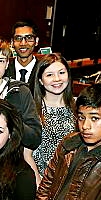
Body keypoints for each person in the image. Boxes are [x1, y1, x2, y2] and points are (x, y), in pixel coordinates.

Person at [26, 53, 76, 185]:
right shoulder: (32, 111)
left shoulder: (78, 109)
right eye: (49, 75)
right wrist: (39, 186)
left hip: (71, 184)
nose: (57, 79)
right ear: (41, 81)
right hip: (40, 182)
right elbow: (27, 155)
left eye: (61, 72)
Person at [5, 20, 40, 94]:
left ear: (36, 41)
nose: (23, 43)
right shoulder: (4, 69)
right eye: (18, 38)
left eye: (29, 37)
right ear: (12, 42)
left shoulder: (43, 70)